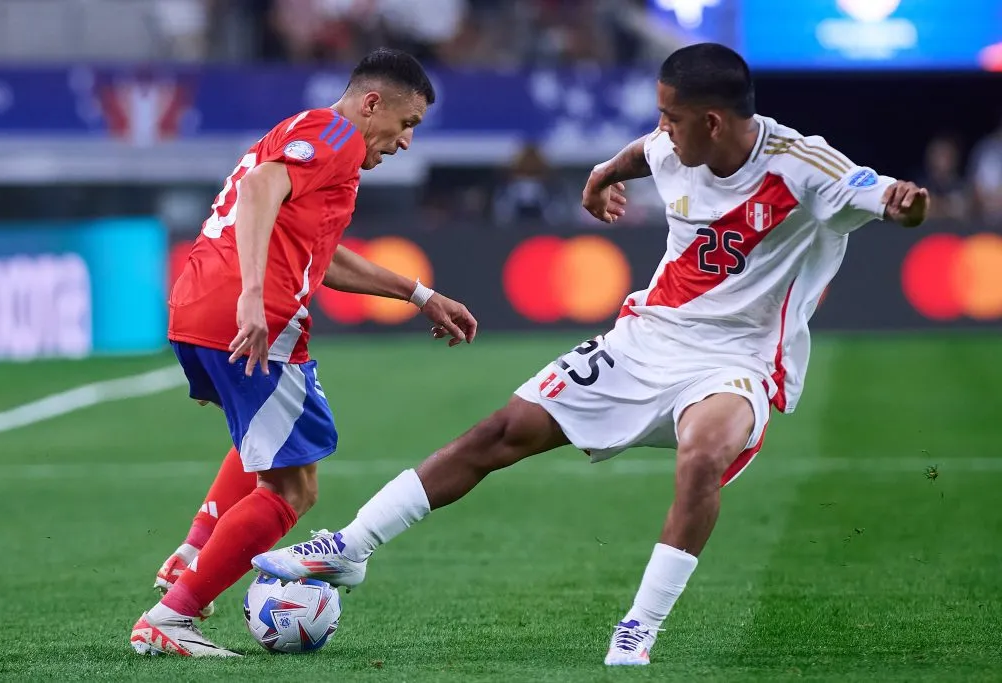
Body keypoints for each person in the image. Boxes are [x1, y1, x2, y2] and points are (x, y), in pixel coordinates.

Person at [252, 43, 929, 666]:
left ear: (715, 122)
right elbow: (640, 152)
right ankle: (352, 545)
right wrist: (604, 175)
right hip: (646, 338)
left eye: (671, 117)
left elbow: (881, 194)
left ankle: (640, 623)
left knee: (703, 455)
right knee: (501, 431)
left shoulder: (802, 166)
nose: (660, 127)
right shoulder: (673, 148)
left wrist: (903, 203)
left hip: (739, 359)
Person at [129, 48, 478, 658]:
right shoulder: (336, 134)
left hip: (199, 304)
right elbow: (263, 188)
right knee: (294, 489)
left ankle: (192, 551)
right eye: (407, 123)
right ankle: (171, 616)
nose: (405, 142)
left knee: (266, 439)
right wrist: (255, 295)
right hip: (249, 312)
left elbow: (327, 259)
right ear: (372, 104)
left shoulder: (304, 136)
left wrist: (419, 295)